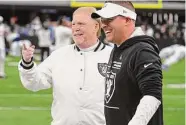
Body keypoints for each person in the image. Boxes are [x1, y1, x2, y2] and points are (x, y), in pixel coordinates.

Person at [18, 7, 112, 125]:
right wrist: (27, 64)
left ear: (96, 26)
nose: (76, 28)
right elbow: (34, 83)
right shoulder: (59, 55)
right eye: (73, 24)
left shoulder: (113, 56)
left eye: (81, 24)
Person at [92, 1, 163, 125]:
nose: (103, 24)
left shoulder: (142, 51)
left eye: (109, 19)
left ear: (127, 20)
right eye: (102, 20)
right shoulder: (119, 48)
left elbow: (152, 95)